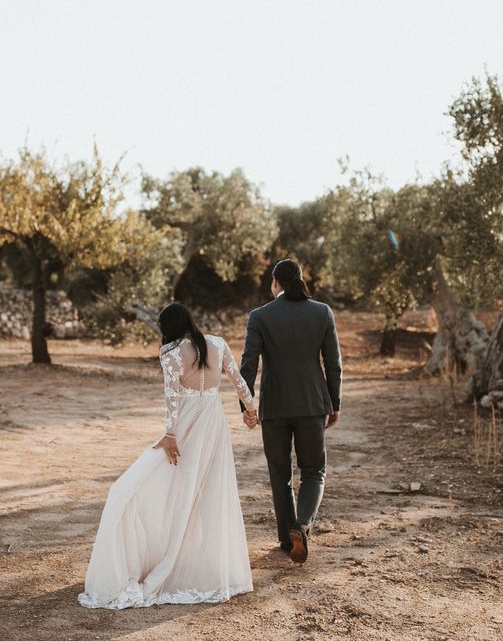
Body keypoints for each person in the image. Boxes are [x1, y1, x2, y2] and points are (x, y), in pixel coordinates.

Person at [78, 303, 259, 609]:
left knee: (151, 488)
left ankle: (163, 559)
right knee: (204, 491)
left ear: (168, 327)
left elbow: (171, 397)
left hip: (187, 427)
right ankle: (193, 561)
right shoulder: (218, 343)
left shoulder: (172, 353)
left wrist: (170, 434)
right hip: (214, 424)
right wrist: (251, 411)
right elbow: (239, 382)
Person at [240, 259, 342, 563]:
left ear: (275, 282)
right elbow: (333, 364)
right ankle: (303, 525)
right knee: (313, 471)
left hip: (275, 407)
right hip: (312, 404)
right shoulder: (322, 312)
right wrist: (334, 403)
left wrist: (247, 405)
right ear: (299, 280)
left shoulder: (259, 316)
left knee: (279, 474)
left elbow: (249, 363)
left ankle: (287, 539)